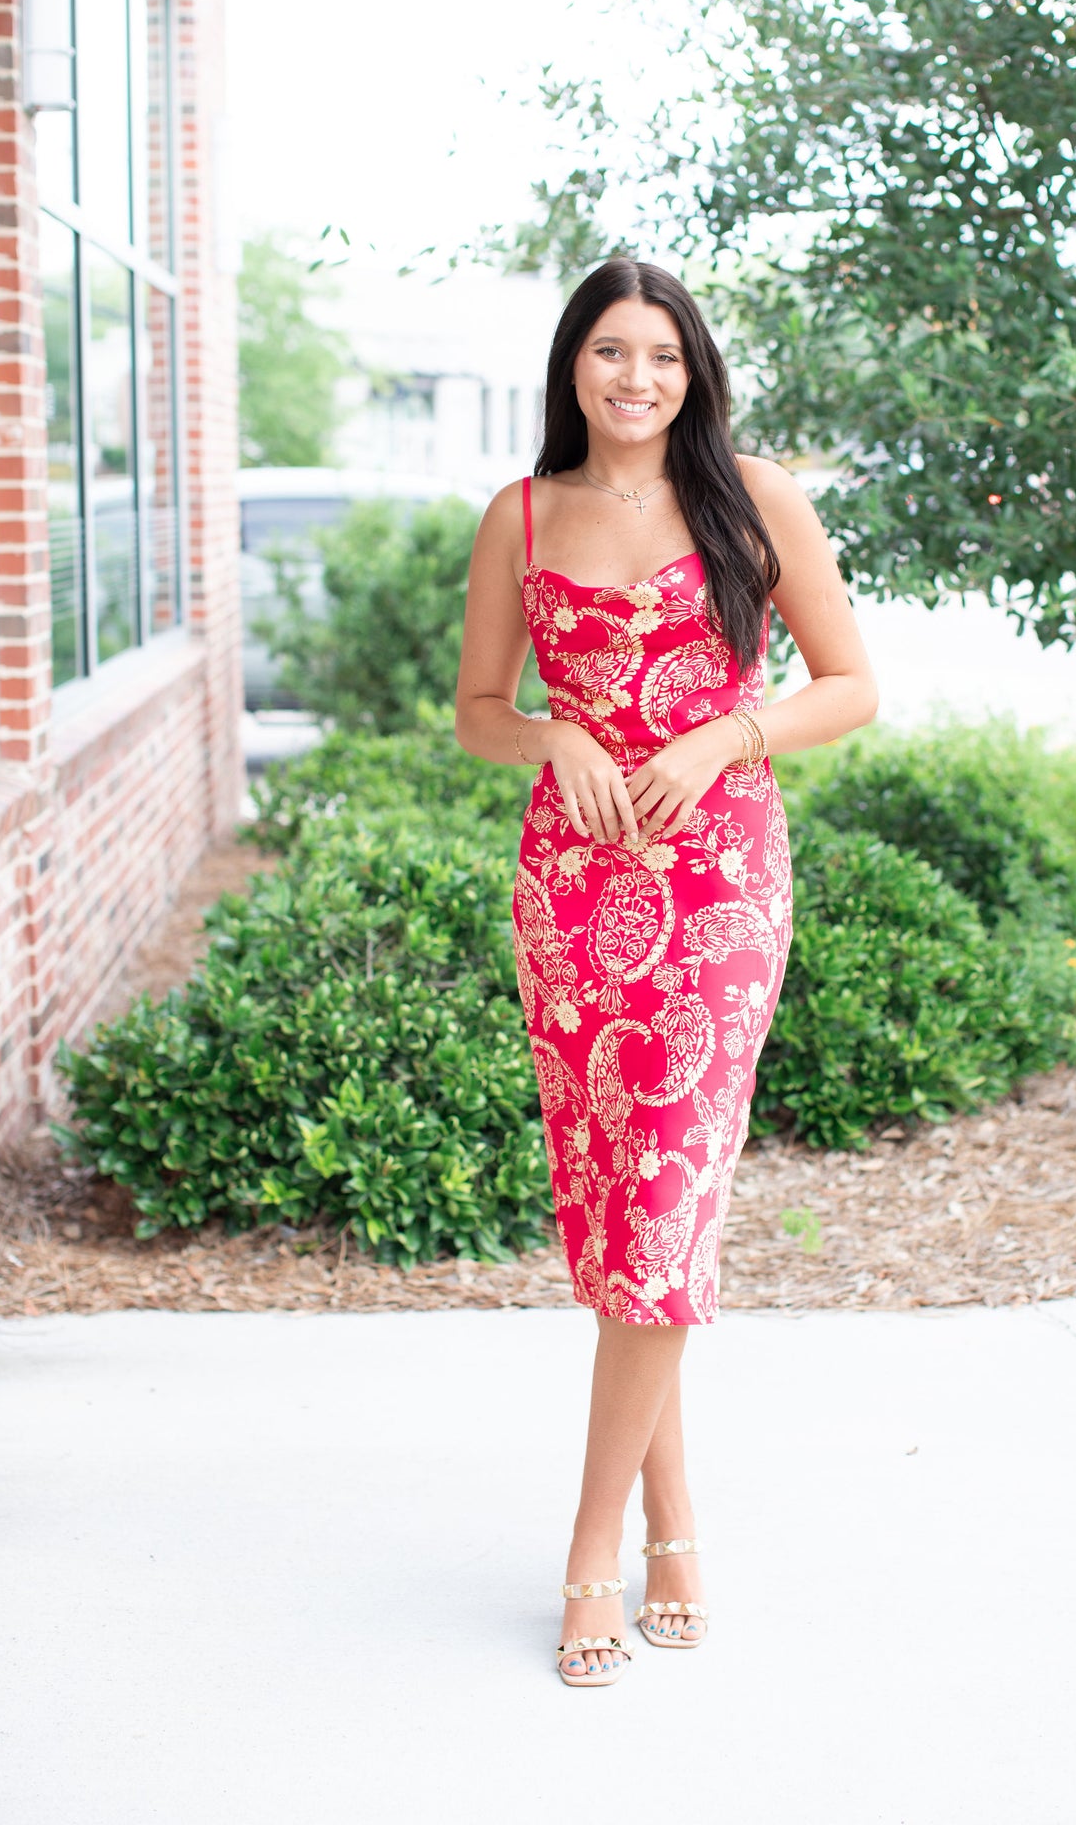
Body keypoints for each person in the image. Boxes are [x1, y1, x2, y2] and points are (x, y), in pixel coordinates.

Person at [455, 257, 877, 1687]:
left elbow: (849, 684)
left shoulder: (754, 499)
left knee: (662, 1198)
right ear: (572, 364)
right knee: (619, 1205)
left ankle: (589, 1556)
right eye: (611, 354)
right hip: (572, 898)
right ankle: (677, 1523)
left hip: (715, 890)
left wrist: (721, 737)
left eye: (663, 359)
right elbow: (475, 712)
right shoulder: (518, 517)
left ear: (691, 375)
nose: (636, 381)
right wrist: (552, 738)